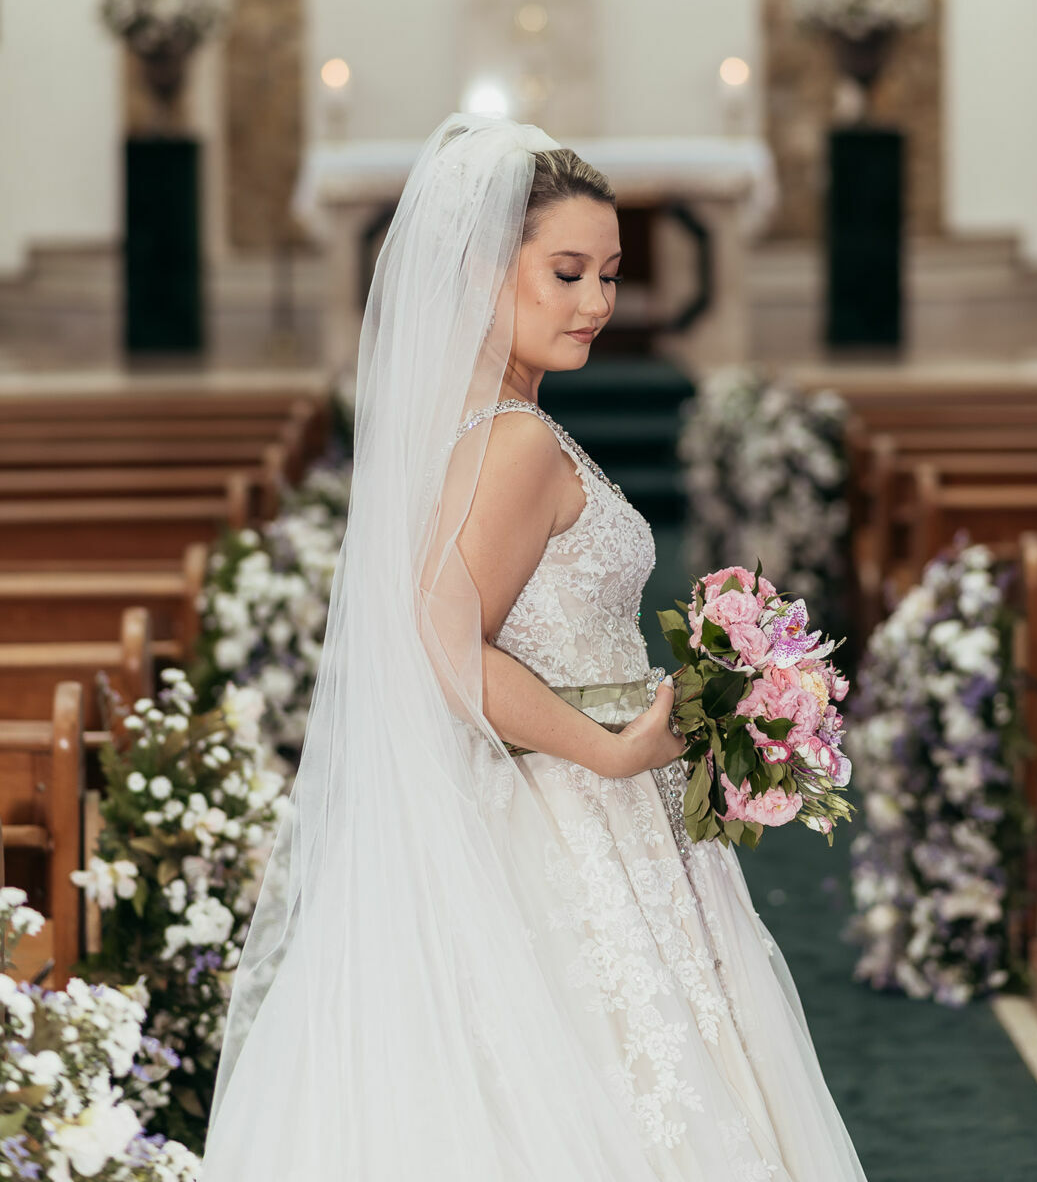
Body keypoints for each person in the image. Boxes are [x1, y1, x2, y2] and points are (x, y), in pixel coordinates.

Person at [199, 114, 867, 1181]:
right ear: (483, 267)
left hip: (578, 802)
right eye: (566, 272)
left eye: (609, 272)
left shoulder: (490, 421)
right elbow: (441, 636)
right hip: (571, 811)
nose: (598, 301)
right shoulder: (510, 442)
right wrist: (606, 748)